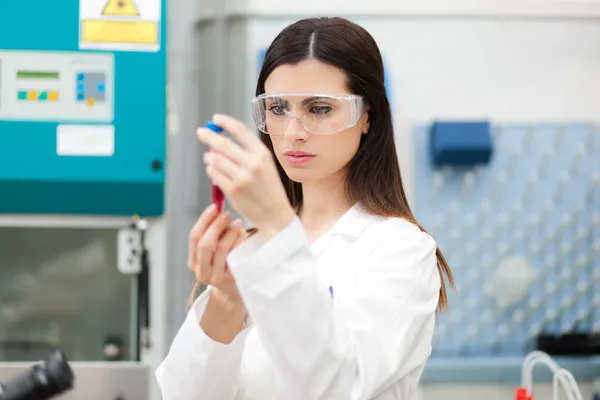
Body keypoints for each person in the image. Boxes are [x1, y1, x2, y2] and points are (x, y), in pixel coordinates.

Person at [156, 16, 454, 400]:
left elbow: (340, 388)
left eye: (319, 109)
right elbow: (184, 395)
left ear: (367, 117)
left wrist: (277, 227)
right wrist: (227, 299)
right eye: (278, 108)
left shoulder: (401, 250)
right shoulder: (252, 248)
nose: (294, 131)